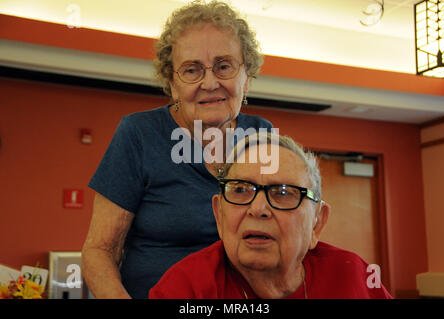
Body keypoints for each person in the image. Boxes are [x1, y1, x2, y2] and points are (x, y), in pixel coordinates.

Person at [81, 0, 273, 299]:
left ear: (246, 76)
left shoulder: (262, 135)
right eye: (192, 70)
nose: (210, 83)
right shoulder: (139, 134)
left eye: (224, 66)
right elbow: (99, 251)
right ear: (172, 82)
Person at [149, 133, 393, 299]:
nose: (258, 209)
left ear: (316, 223)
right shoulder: (186, 287)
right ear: (219, 216)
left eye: (283, 193)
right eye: (241, 190)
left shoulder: (353, 276)